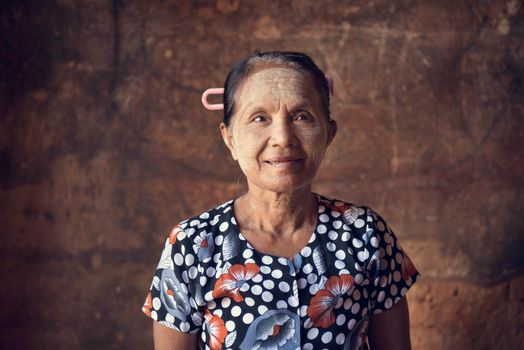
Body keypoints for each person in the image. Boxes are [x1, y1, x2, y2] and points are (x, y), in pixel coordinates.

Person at [142, 51, 420, 350]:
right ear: (230, 139)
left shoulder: (366, 234)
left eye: (302, 116)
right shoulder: (192, 244)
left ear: (329, 133)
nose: (283, 137)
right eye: (260, 118)